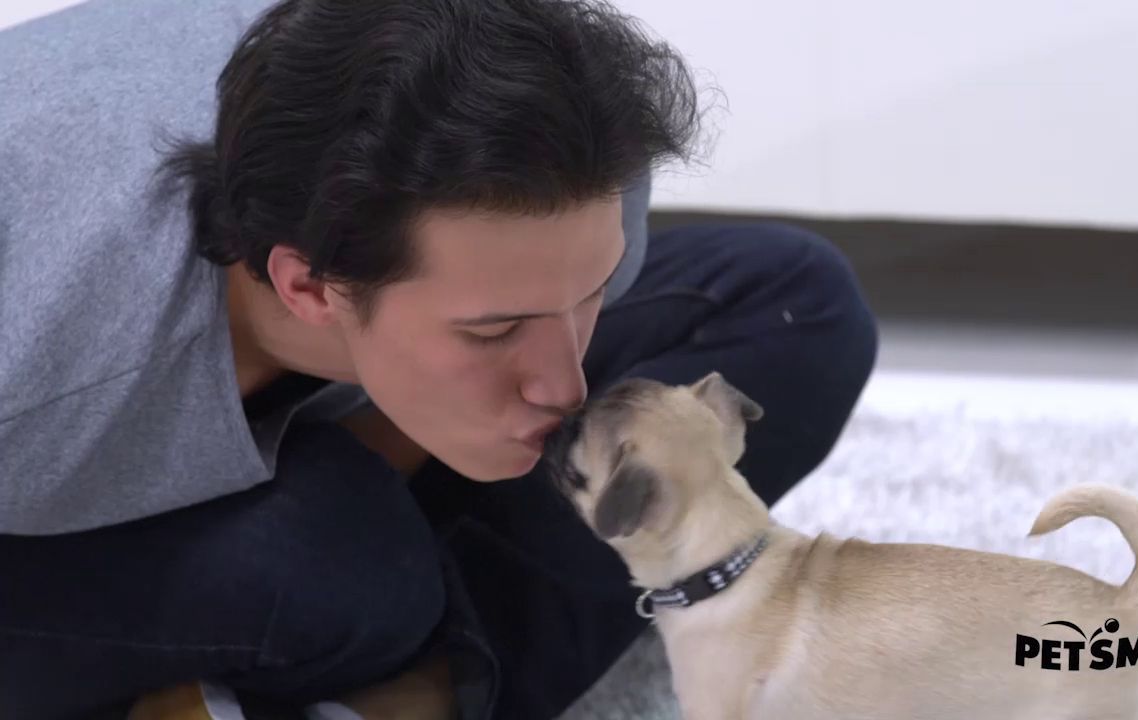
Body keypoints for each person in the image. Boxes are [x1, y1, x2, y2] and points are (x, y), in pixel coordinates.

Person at [0, 0, 878, 717]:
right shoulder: (38, 357)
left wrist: (401, 440)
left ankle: (408, 694)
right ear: (308, 287)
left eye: (591, 290)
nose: (566, 386)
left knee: (791, 301)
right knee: (342, 565)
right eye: (495, 332)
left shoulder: (566, 144)